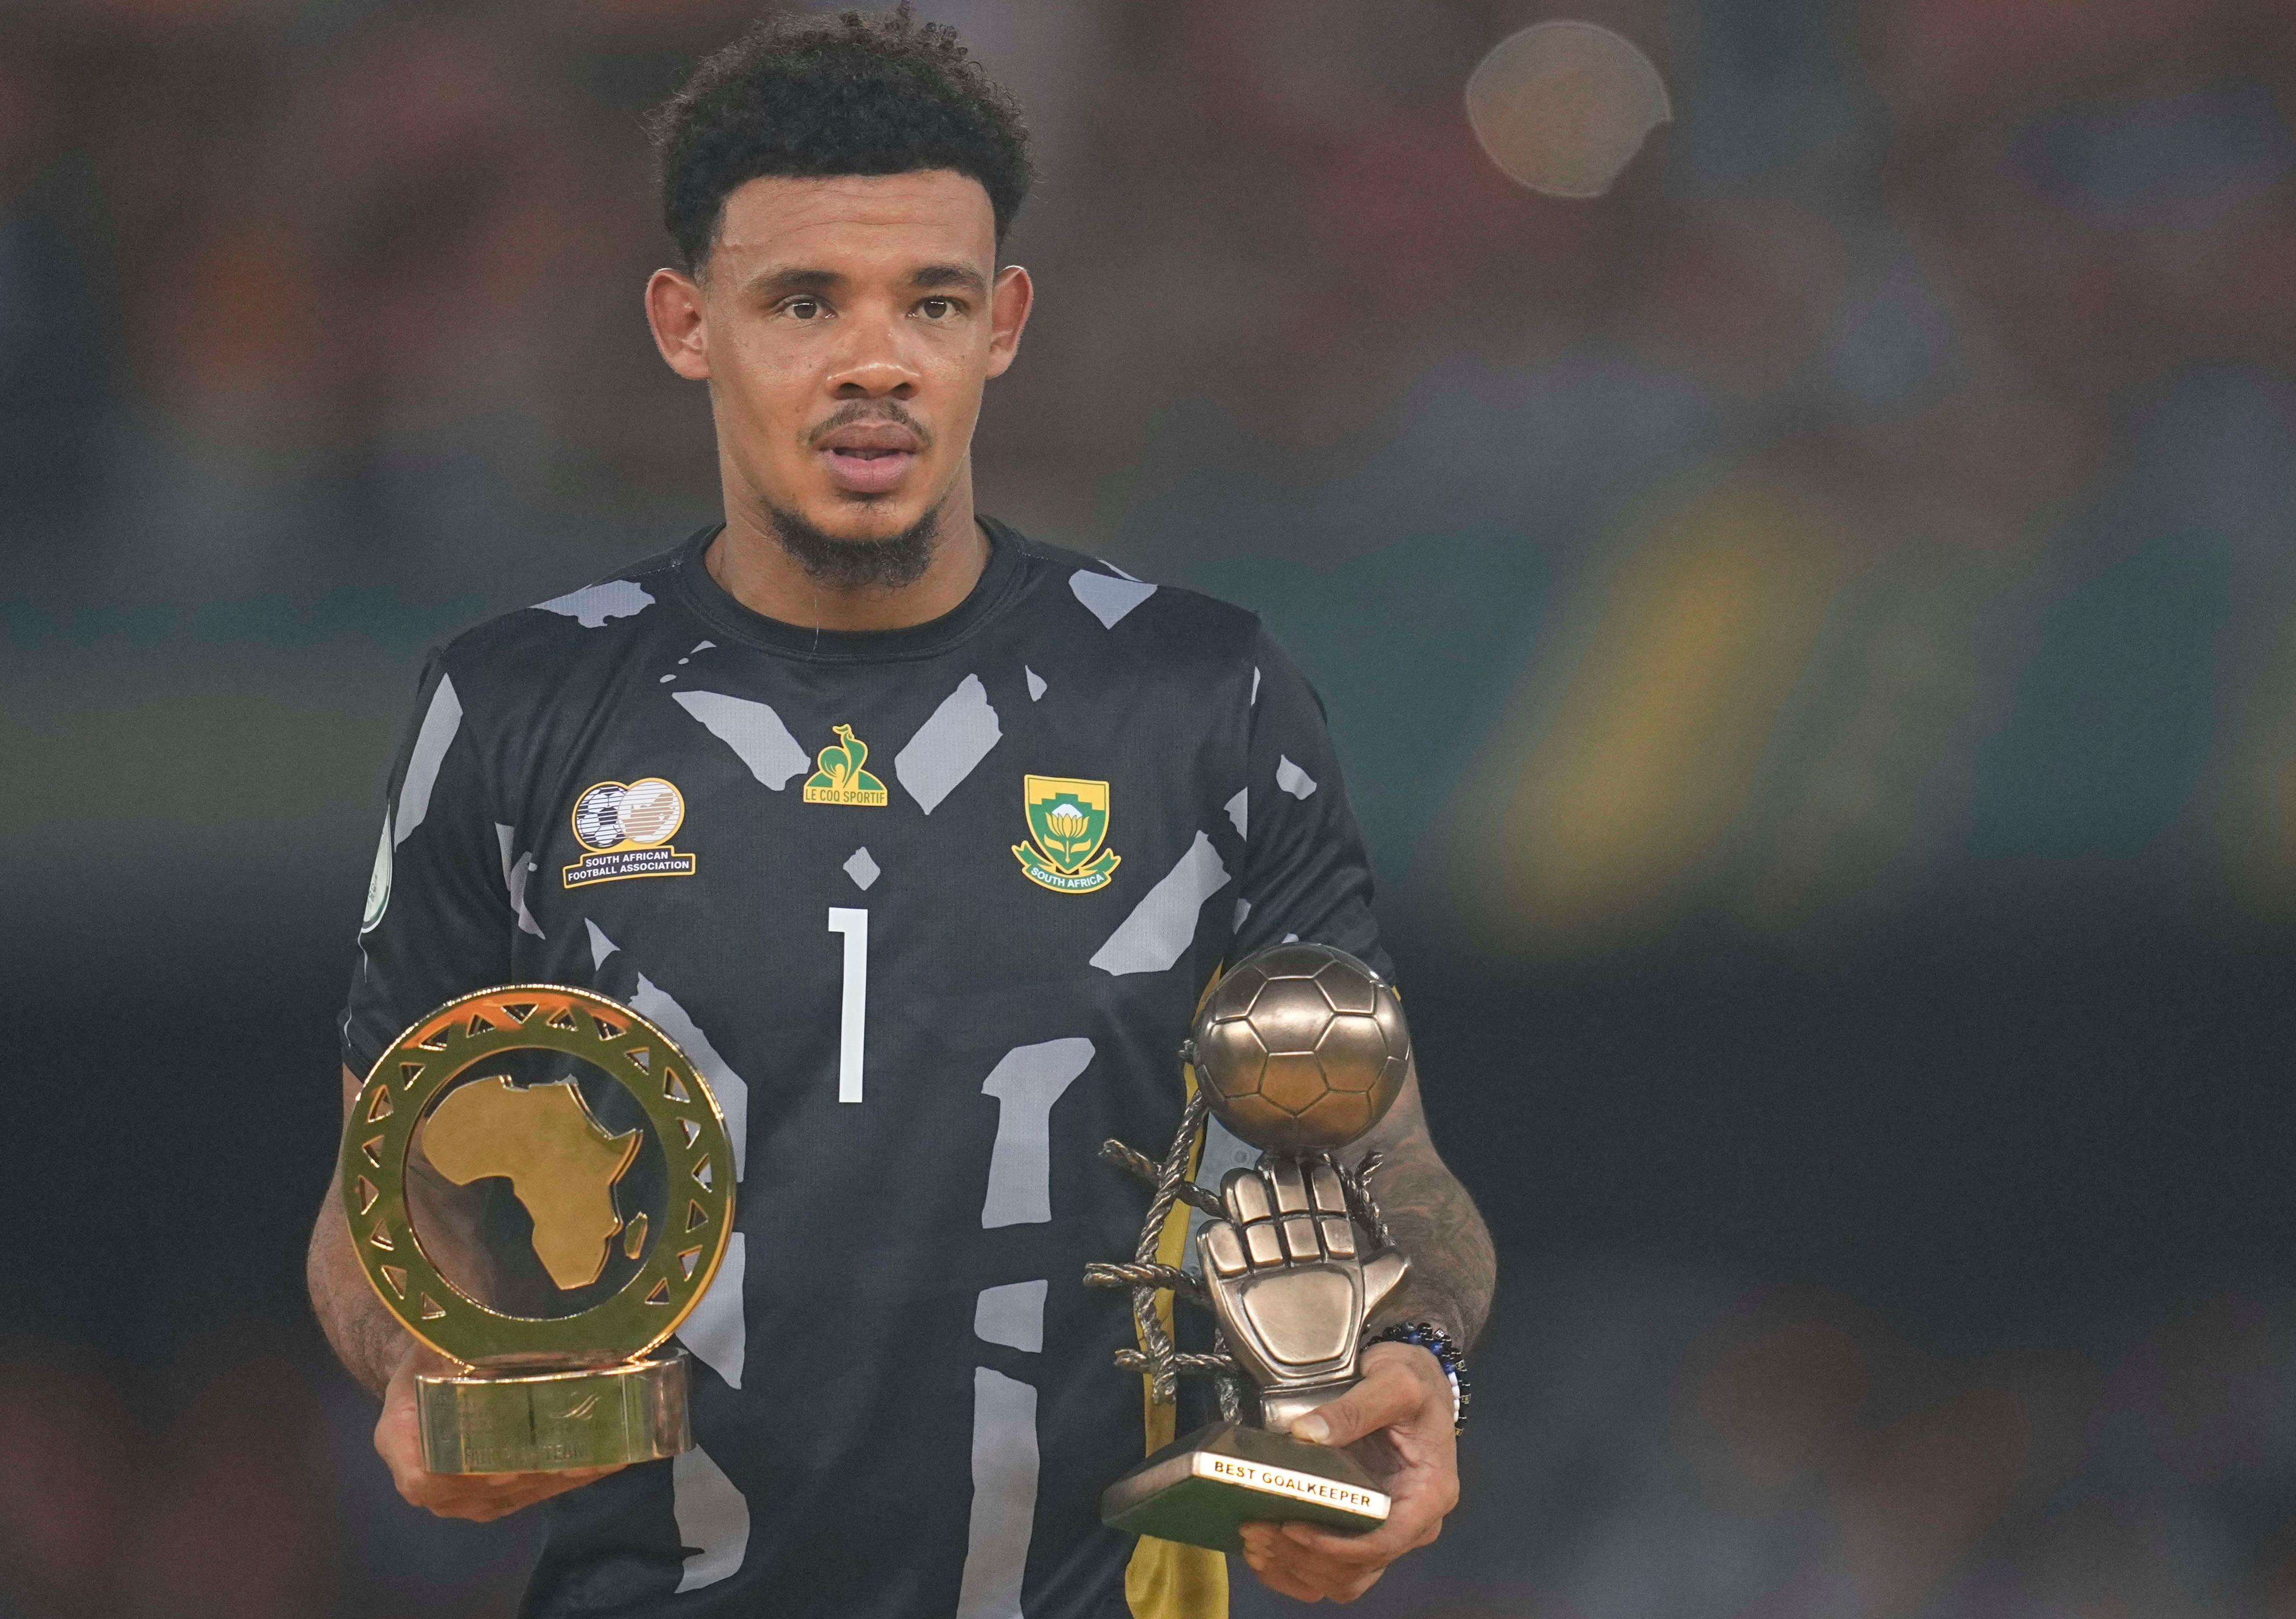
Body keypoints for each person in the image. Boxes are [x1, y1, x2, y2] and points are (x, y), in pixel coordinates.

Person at [305, 9, 1495, 1614]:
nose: (876, 358)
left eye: (929, 300)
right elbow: (388, 1185)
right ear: (685, 321)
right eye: (804, 301)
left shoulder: (1208, 700)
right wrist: (421, 1360)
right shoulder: (513, 706)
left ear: (1002, 322)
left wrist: (1412, 1361)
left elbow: (1380, 1160)